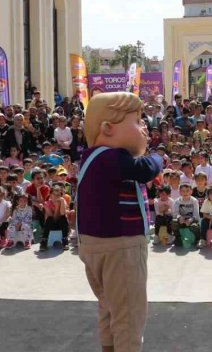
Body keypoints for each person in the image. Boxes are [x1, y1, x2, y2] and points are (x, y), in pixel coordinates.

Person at [76, 92, 163, 352]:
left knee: (109, 308)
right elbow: (146, 168)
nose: (144, 127)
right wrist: (158, 157)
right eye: (137, 121)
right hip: (120, 246)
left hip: (93, 246)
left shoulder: (91, 158)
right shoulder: (111, 158)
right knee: (128, 314)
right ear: (107, 129)